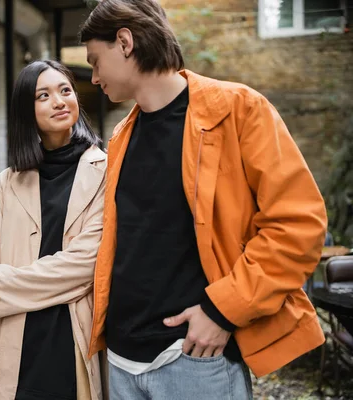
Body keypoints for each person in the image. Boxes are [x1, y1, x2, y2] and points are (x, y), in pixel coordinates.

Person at [78, 1, 328, 399]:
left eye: (95, 60)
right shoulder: (121, 137)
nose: (92, 77)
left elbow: (298, 226)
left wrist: (222, 311)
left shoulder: (239, 109)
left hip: (194, 360)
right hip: (121, 362)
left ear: (124, 42)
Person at [0, 60, 107, 400]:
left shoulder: (105, 171)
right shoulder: (7, 182)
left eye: (65, 91)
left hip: (70, 341)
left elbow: (84, 266)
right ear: (26, 109)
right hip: (12, 345)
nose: (60, 101)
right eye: (43, 95)